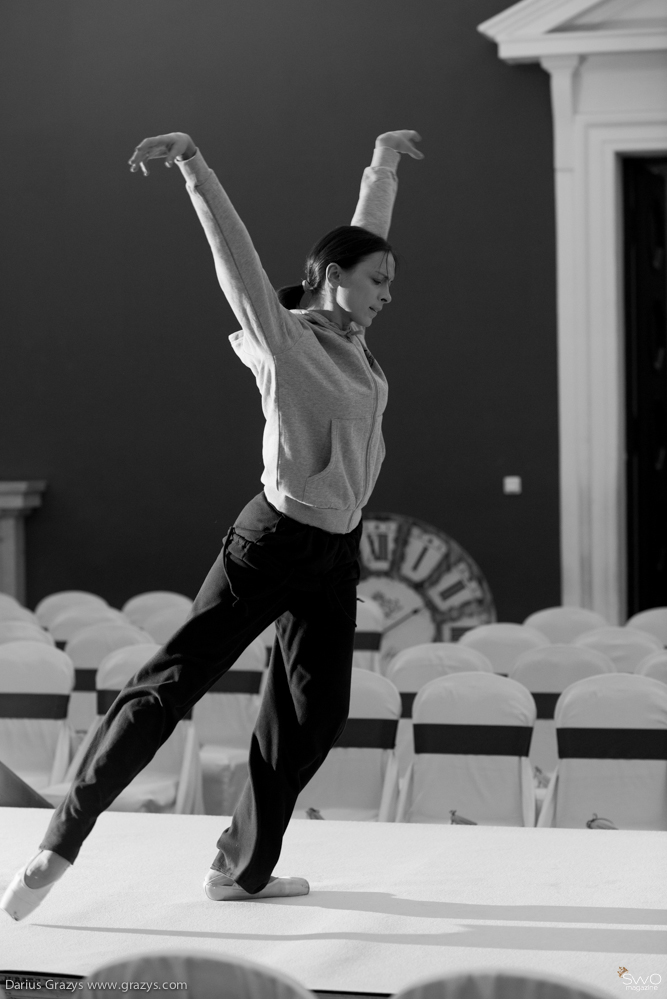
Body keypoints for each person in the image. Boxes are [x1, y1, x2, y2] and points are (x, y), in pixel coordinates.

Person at [1, 125, 423, 920]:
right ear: (333, 280)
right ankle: (62, 838)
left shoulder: (352, 338)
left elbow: (367, 237)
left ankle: (241, 868)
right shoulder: (285, 339)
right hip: (272, 540)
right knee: (168, 687)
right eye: (378, 282)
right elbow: (238, 261)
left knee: (313, 711)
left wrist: (383, 163)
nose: (387, 293)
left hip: (335, 551)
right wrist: (195, 167)